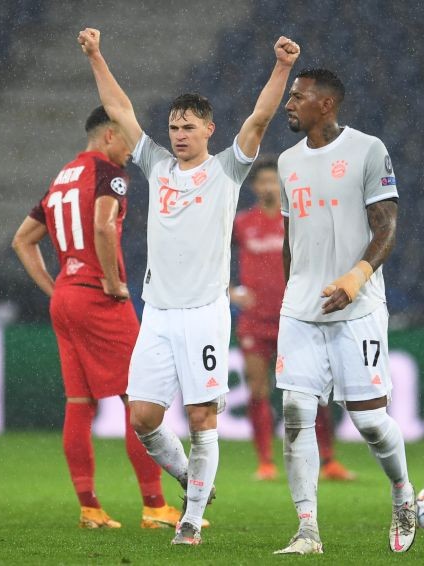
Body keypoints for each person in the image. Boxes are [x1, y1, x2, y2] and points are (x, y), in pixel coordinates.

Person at [77, 28, 300, 546]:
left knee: (201, 417)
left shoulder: (227, 170)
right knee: (142, 417)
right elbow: (121, 109)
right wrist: (95, 55)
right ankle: (191, 479)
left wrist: (282, 68)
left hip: (203, 311)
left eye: (188, 127)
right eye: (174, 126)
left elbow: (261, 118)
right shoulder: (156, 165)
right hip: (157, 312)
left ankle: (191, 520)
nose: (178, 134)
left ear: (208, 130)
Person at [12, 106, 188, 531]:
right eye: (128, 139)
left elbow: (22, 240)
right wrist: (111, 281)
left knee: (79, 404)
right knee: (140, 399)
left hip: (68, 298)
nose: (131, 151)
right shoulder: (109, 173)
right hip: (98, 296)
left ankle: (90, 508)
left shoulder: (62, 178)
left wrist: (58, 290)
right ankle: (154, 506)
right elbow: (104, 226)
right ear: (110, 134)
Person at [273, 68, 416, 555]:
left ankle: (401, 492)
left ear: (327, 104)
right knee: (295, 412)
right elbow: (290, 240)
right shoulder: (288, 161)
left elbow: (387, 226)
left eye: (298, 97)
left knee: (370, 422)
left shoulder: (367, 150)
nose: (289, 104)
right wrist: (290, 291)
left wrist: (355, 279)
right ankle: (307, 528)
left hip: (357, 308)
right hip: (301, 308)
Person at [230, 157, 355, 482]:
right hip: (254, 322)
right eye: (264, 181)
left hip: (295, 318)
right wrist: (227, 290)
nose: (270, 186)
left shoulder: (297, 221)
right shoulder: (242, 223)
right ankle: (266, 462)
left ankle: (328, 460)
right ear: (255, 187)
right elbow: (211, 254)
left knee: (312, 390)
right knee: (258, 390)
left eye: (275, 181)